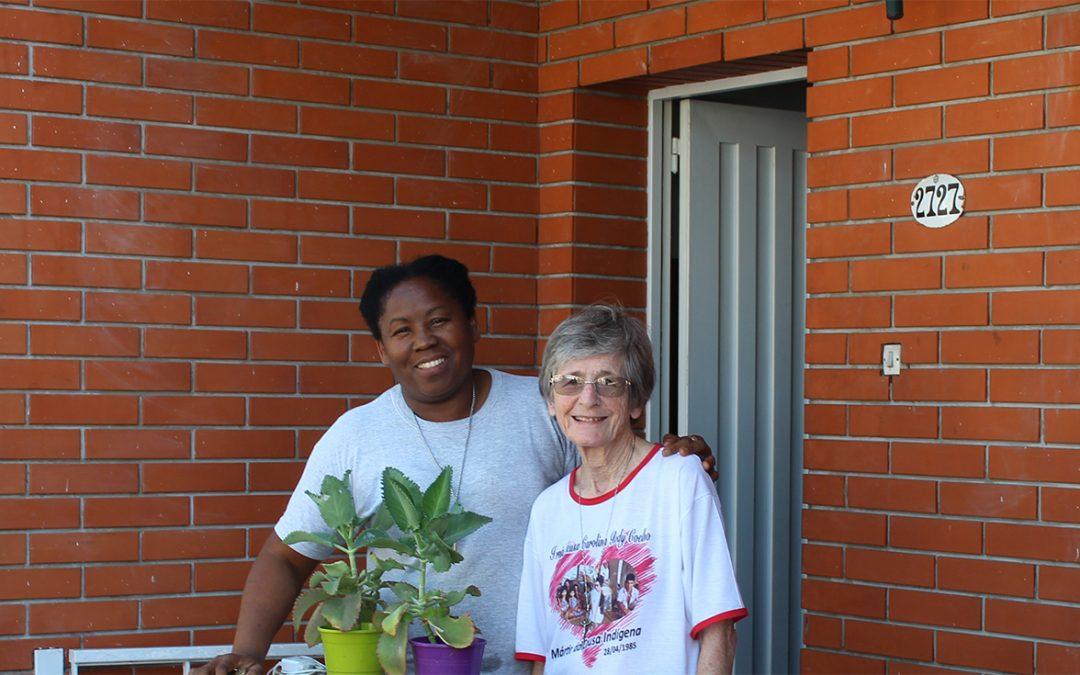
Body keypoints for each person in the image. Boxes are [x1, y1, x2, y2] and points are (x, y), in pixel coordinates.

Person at [193, 257, 715, 675]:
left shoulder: (544, 407)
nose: (424, 340)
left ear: (472, 323)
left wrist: (672, 456)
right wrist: (246, 652)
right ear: (381, 350)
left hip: (546, 663)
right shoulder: (355, 438)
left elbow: (617, 483)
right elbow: (287, 557)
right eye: (401, 330)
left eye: (439, 320)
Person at [515, 304, 746, 674]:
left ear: (637, 401)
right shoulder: (547, 508)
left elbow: (719, 632)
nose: (588, 398)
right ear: (550, 400)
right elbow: (542, 654)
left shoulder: (679, 480)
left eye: (609, 382)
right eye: (570, 382)